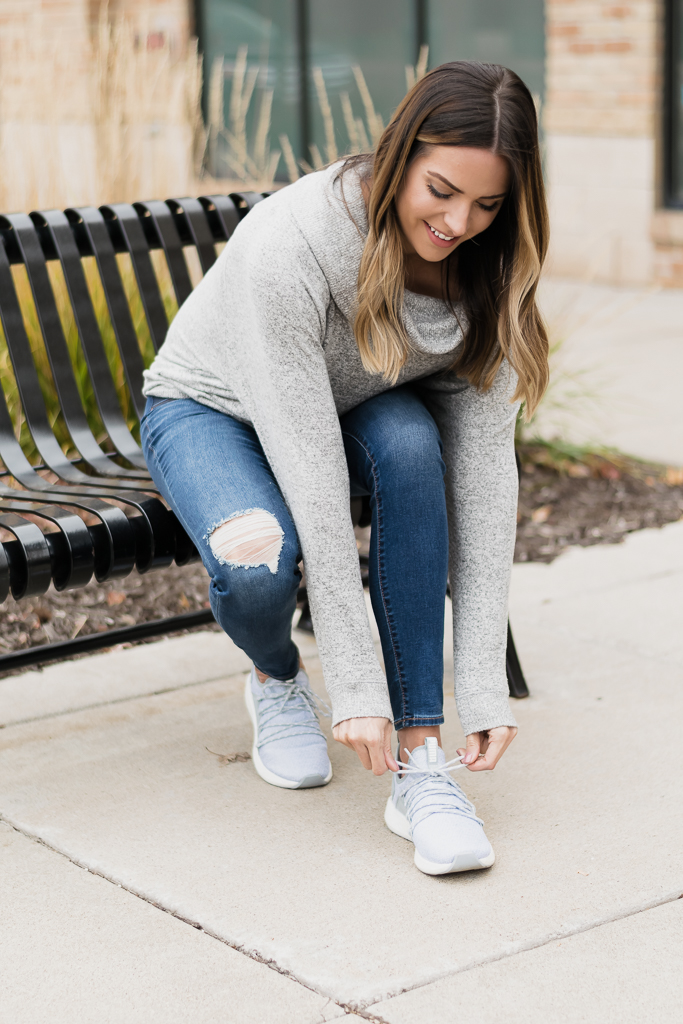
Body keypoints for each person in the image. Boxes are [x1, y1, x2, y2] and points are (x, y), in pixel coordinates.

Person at [140, 61, 549, 876]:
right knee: (258, 554)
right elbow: (312, 475)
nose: (459, 221)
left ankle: (421, 764)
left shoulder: (490, 267)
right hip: (211, 405)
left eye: (487, 203)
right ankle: (276, 675)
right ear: (399, 154)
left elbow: (483, 480)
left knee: (409, 446)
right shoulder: (296, 243)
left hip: (349, 402)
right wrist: (350, 682)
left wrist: (482, 689)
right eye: (440, 190)